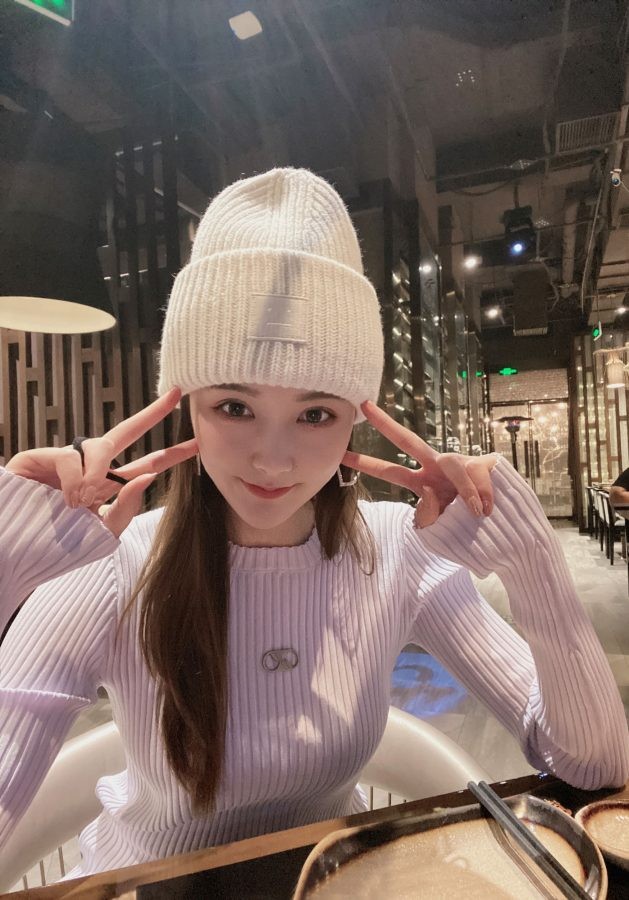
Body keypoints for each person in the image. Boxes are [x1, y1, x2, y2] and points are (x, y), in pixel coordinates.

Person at [0, 168, 627, 879]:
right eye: (235, 407)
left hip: (334, 881)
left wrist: (532, 564)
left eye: (316, 413)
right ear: (187, 406)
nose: (273, 458)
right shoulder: (112, 565)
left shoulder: (397, 552)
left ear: (356, 417)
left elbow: (593, 765)